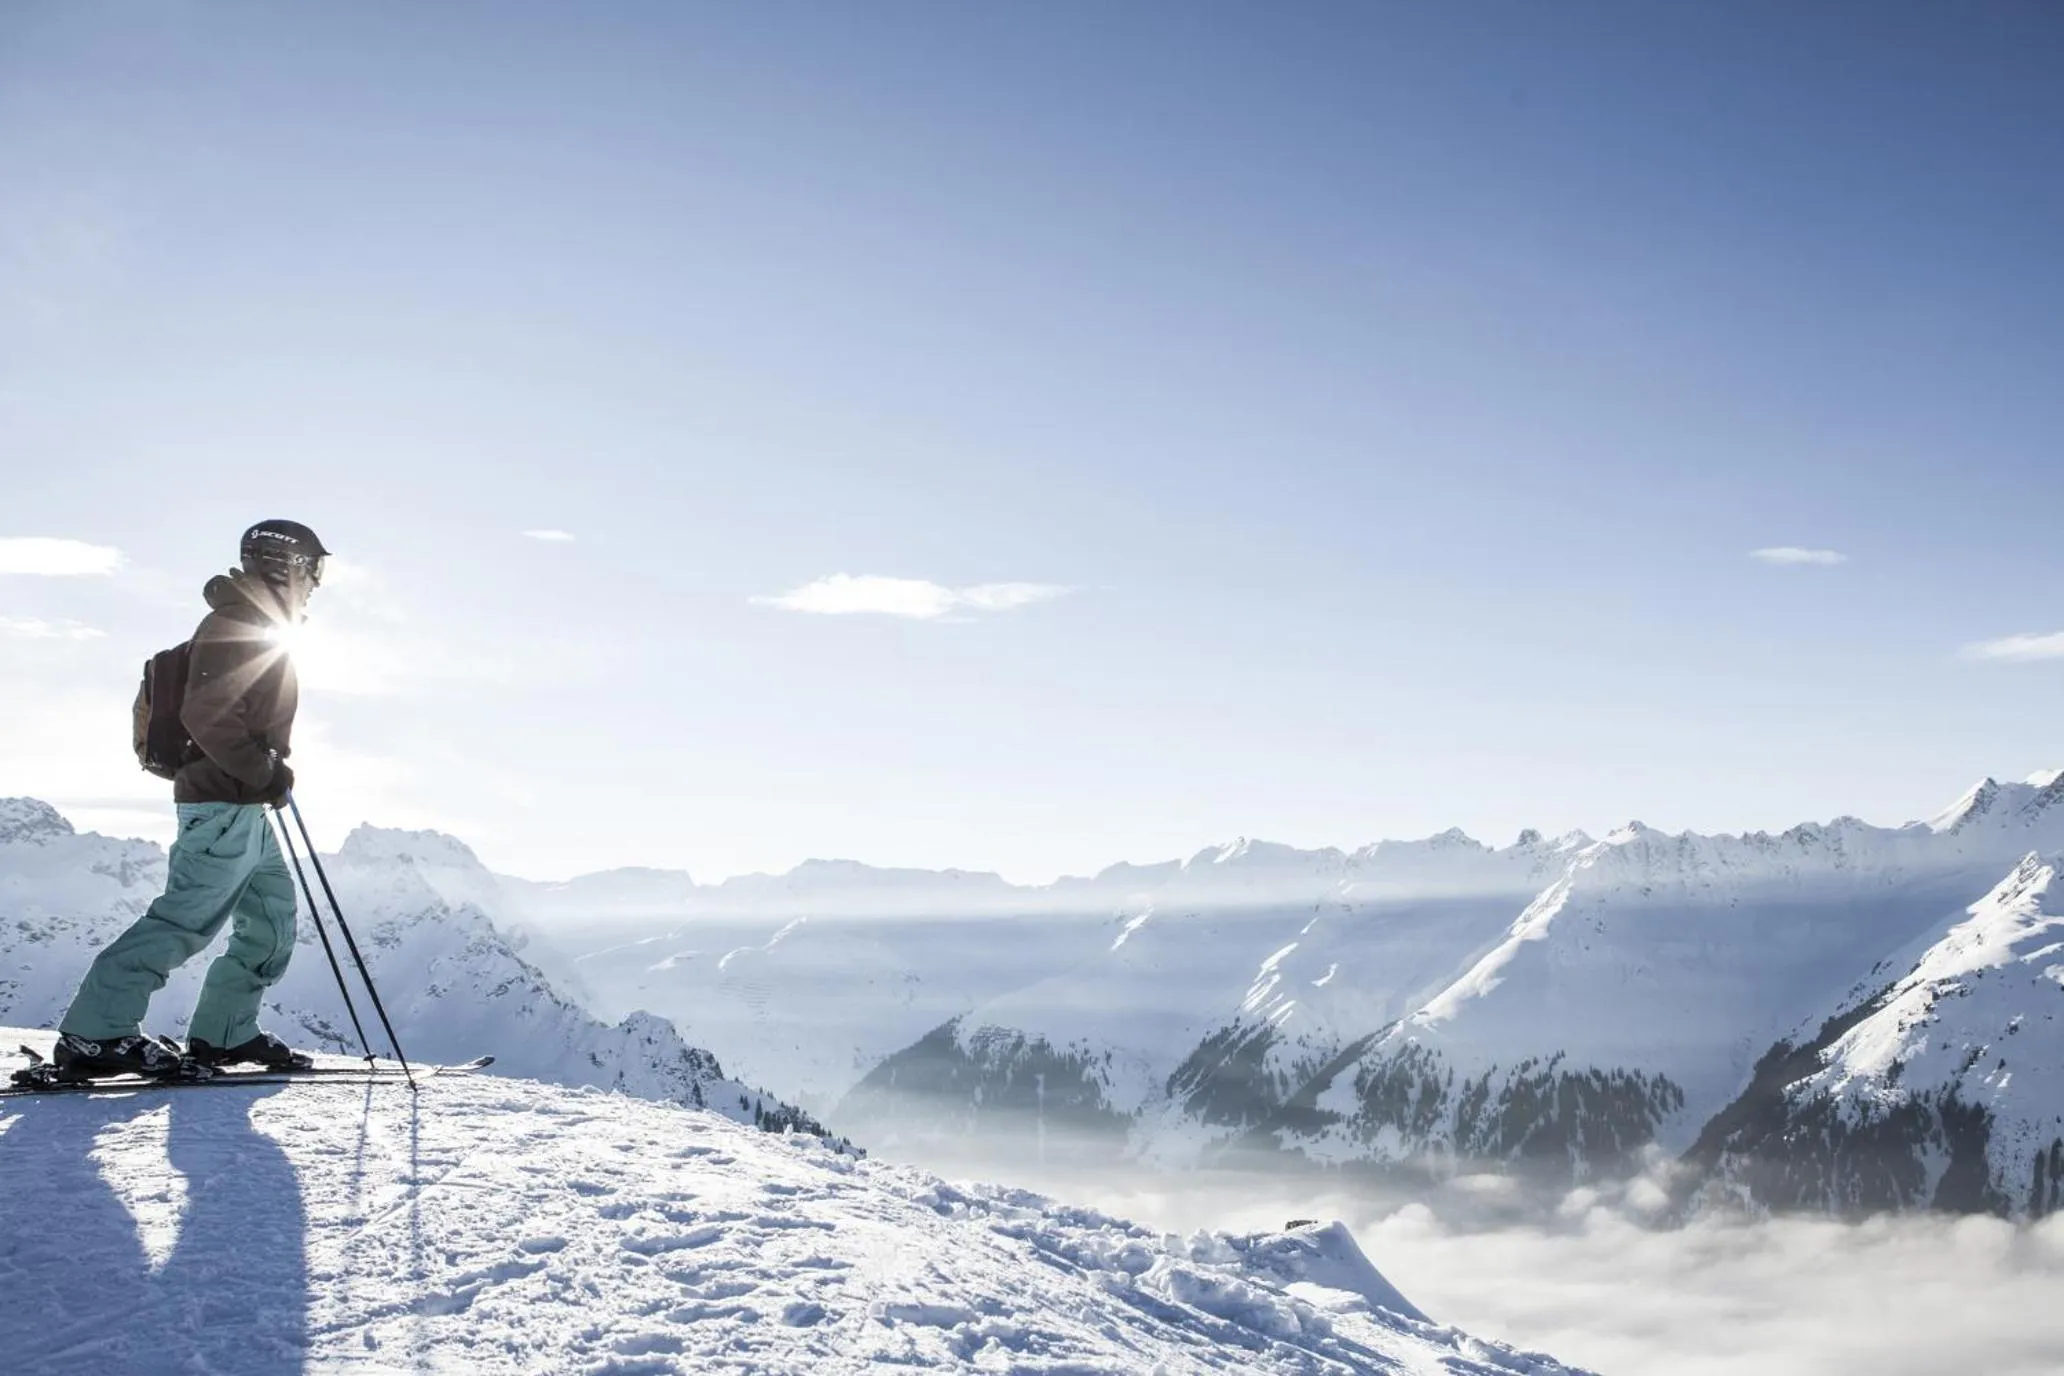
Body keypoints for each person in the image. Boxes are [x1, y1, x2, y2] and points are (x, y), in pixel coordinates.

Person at [53, 519, 330, 1078]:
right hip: (221, 803)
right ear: (287, 565)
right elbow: (207, 715)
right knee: (184, 919)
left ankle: (225, 1033)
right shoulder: (236, 625)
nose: (317, 582)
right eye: (314, 568)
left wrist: (268, 771)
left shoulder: (259, 624)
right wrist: (262, 770)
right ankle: (95, 1034)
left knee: (271, 923)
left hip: (246, 803)